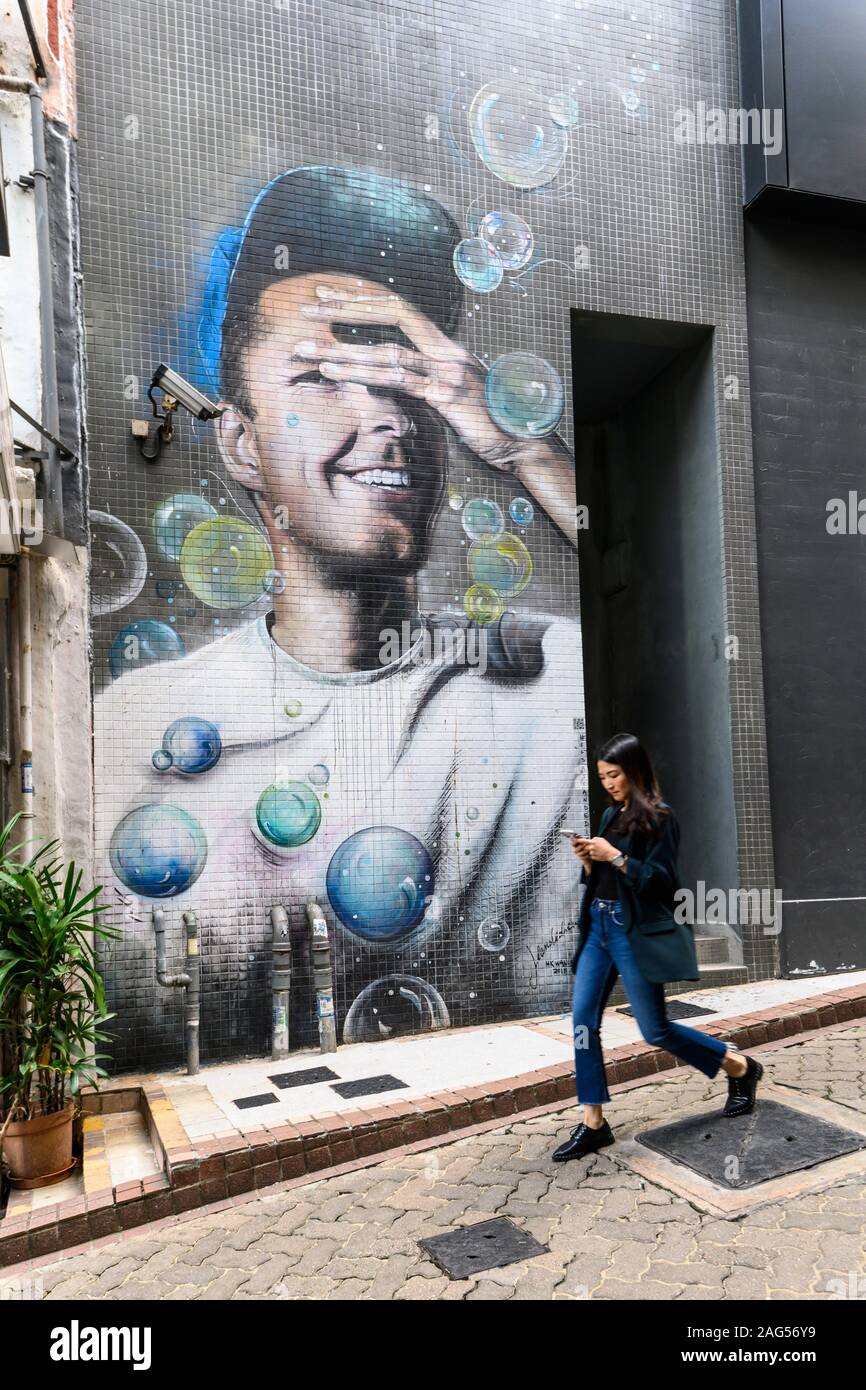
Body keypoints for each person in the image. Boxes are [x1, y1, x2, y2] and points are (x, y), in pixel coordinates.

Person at [95, 166, 586, 1060]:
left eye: (411, 379)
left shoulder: (552, 678)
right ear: (239, 443)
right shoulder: (132, 734)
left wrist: (516, 442)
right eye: (327, 377)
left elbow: (650, 579)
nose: (388, 416)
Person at [551, 732, 763, 1163]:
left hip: (634, 933)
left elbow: (662, 883)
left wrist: (617, 857)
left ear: (634, 771)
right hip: (599, 927)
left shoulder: (661, 818)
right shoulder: (611, 814)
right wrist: (590, 861)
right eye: (603, 777)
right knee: (582, 1023)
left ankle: (739, 1067)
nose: (608, 784)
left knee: (655, 1030)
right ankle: (593, 1123)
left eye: (614, 775)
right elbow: (605, 878)